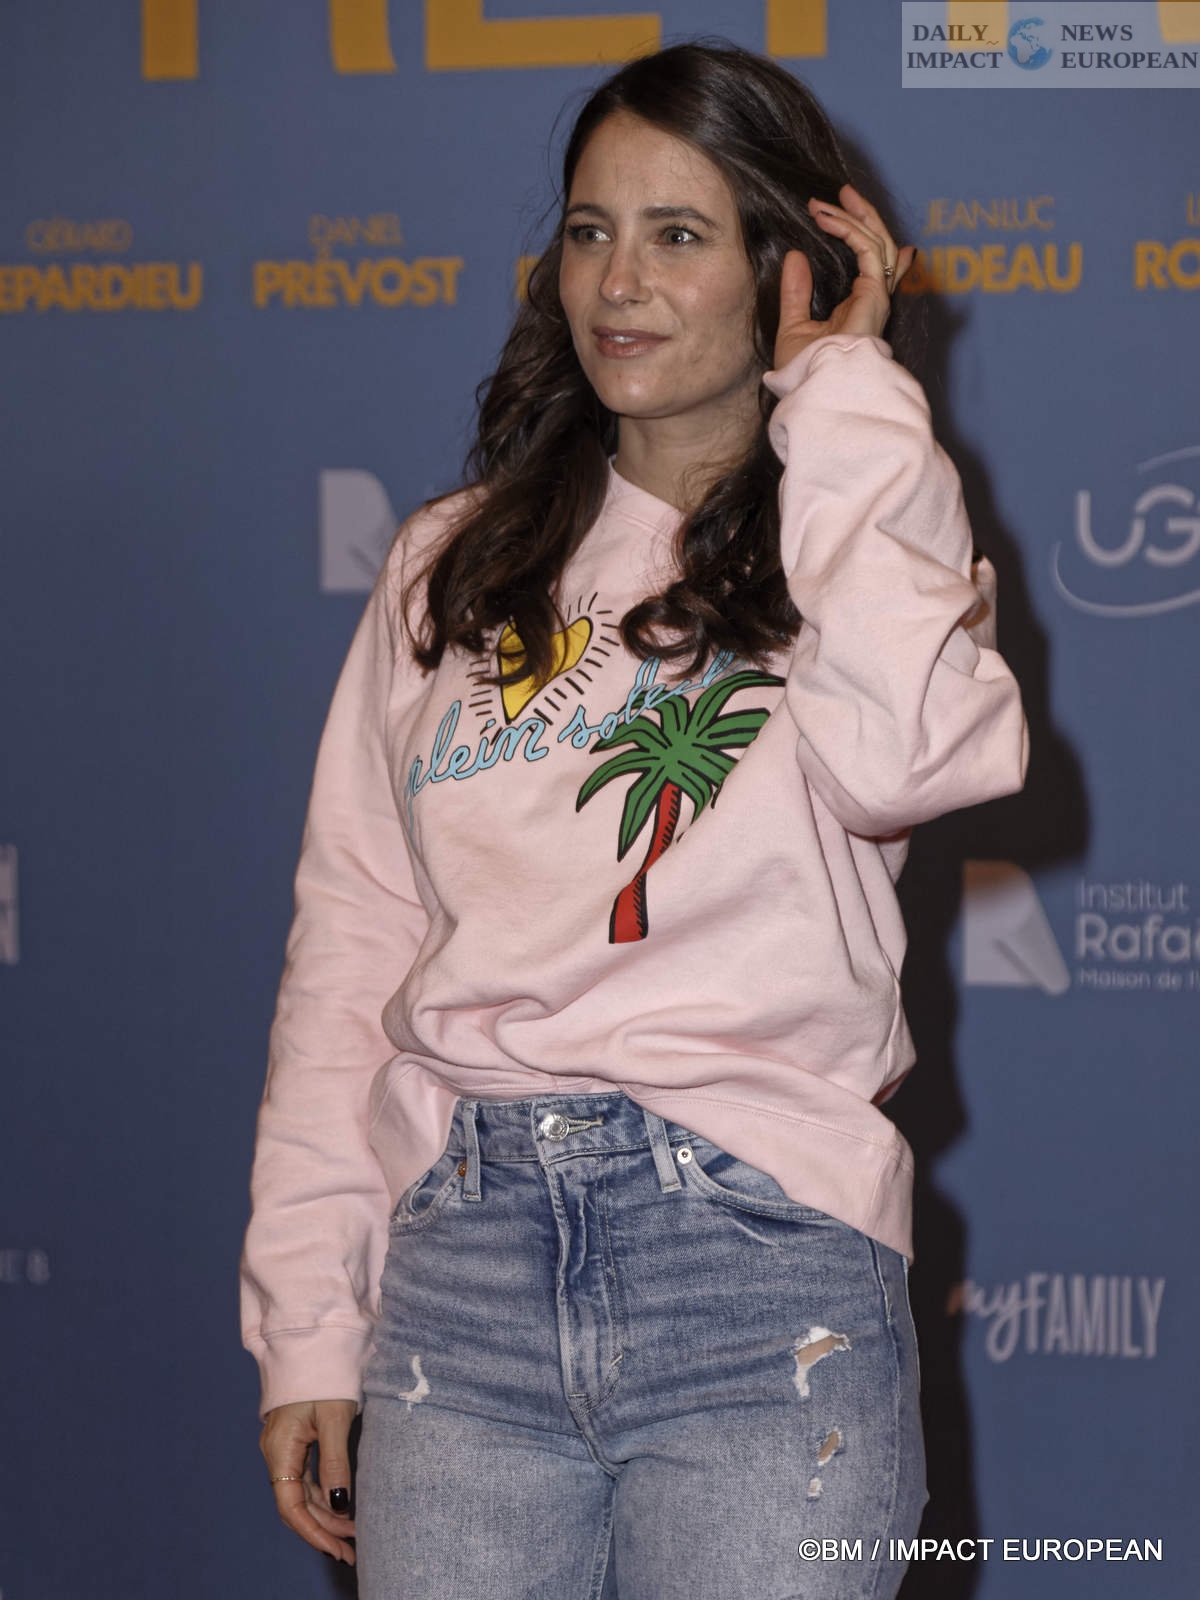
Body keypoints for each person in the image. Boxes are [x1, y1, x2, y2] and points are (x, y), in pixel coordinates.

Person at [240, 41, 1027, 1600]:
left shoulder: (864, 523)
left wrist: (847, 391)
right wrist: (311, 1322)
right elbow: (352, 950)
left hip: (760, 1273)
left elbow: (905, 767)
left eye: (680, 233)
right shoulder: (451, 563)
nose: (619, 281)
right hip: (459, 1280)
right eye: (592, 230)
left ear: (786, 266)